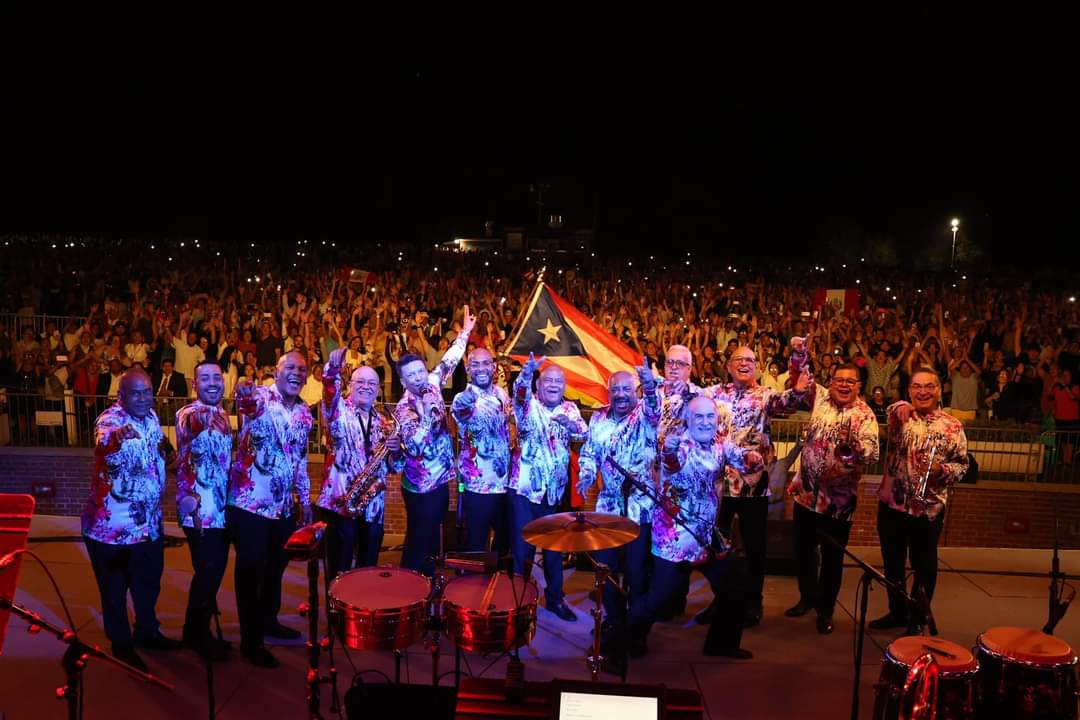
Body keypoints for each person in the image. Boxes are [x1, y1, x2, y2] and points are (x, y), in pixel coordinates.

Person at [610, 396, 761, 674]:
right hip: (676, 537)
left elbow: (744, 461)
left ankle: (722, 643)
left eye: (709, 417)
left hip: (706, 534)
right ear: (688, 421)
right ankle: (618, 644)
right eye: (699, 417)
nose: (705, 422)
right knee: (658, 599)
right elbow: (671, 463)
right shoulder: (678, 444)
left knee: (736, 583)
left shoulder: (720, 442)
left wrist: (753, 458)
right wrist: (668, 452)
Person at [701, 340, 812, 627]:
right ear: (728, 366)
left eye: (750, 360)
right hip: (718, 485)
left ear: (757, 368)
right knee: (715, 544)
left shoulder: (765, 396)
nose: (744, 363)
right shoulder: (713, 394)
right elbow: (685, 396)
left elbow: (790, 398)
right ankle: (721, 600)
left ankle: (753, 602)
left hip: (752, 484)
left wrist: (798, 383)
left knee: (754, 546)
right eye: (738, 359)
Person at [81, 368, 181, 672]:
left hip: (148, 528)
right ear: (120, 396)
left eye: (147, 392)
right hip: (112, 531)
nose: (143, 398)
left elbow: (161, 449)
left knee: (148, 585)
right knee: (114, 591)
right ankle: (121, 644)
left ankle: (147, 631)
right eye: (135, 393)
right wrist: (115, 440)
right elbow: (104, 442)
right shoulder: (111, 421)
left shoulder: (150, 419)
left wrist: (171, 455)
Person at [228, 351, 313, 668]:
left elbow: (300, 459)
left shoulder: (304, 412)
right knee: (250, 572)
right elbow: (246, 403)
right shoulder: (262, 397)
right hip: (250, 504)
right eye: (290, 367)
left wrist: (304, 498)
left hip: (282, 507)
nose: (296, 373)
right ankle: (251, 642)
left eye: (302, 369)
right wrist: (244, 391)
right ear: (276, 372)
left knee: (276, 567)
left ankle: (268, 620)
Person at [871, 367, 969, 635]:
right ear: (909, 391)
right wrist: (899, 407)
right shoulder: (900, 416)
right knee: (892, 563)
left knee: (924, 565)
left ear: (938, 390)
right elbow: (892, 412)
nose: (922, 391)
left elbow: (963, 465)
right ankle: (897, 611)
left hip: (928, 508)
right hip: (892, 503)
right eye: (916, 387)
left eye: (929, 386)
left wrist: (943, 470)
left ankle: (917, 616)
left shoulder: (952, 426)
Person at [785, 365, 880, 634]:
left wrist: (857, 448)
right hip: (806, 494)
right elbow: (798, 374)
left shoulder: (866, 415)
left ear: (859, 386)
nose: (844, 385)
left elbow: (872, 454)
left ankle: (825, 610)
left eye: (851, 381)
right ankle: (807, 597)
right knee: (802, 552)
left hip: (839, 503)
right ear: (832, 381)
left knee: (832, 559)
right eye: (839, 379)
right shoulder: (820, 399)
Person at [577, 365, 660, 637]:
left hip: (639, 508)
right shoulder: (599, 417)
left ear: (635, 391)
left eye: (626, 389)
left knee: (636, 572)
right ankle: (613, 620)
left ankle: (635, 627)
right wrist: (587, 475)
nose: (620, 394)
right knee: (606, 569)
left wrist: (649, 386)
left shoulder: (644, 415)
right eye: (615, 390)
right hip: (607, 509)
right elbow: (589, 453)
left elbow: (654, 409)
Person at [395, 305, 474, 576]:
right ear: (403, 381)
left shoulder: (432, 382)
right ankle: (409, 585)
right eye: (412, 376)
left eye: (420, 371)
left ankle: (426, 581)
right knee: (418, 538)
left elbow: (449, 361)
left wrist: (464, 334)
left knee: (432, 538)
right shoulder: (404, 407)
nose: (419, 377)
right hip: (420, 485)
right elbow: (414, 446)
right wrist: (427, 414)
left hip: (442, 479)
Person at [509, 354, 588, 622]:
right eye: (548, 380)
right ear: (539, 385)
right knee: (523, 549)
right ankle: (519, 602)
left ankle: (555, 599)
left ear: (564, 386)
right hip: (524, 490)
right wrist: (526, 374)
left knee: (554, 548)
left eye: (559, 381)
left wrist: (572, 425)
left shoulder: (570, 410)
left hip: (554, 492)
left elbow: (583, 433)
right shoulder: (527, 404)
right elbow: (518, 395)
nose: (554, 385)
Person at [316, 349, 403, 577]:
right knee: (339, 567)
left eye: (372, 383)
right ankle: (337, 611)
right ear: (350, 385)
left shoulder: (384, 421)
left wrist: (395, 452)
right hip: (341, 502)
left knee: (368, 567)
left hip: (374, 507)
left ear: (378, 389)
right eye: (360, 381)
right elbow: (329, 393)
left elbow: (397, 467)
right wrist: (332, 371)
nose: (366, 386)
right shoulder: (338, 410)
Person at [175, 360, 233, 660]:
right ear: (194, 384)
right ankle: (195, 634)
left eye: (217, 377)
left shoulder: (223, 413)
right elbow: (192, 425)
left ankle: (199, 630)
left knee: (213, 573)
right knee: (207, 572)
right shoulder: (188, 413)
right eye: (205, 378)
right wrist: (206, 421)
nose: (212, 382)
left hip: (221, 510)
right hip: (198, 509)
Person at [451, 347, 513, 554]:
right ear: (468, 369)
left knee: (505, 540)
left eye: (486, 363)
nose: (481, 368)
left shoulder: (502, 394)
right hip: (478, 486)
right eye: (475, 364)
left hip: (504, 484)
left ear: (494, 367)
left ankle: (494, 581)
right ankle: (474, 584)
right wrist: (464, 407)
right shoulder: (463, 398)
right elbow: (461, 412)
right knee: (476, 546)